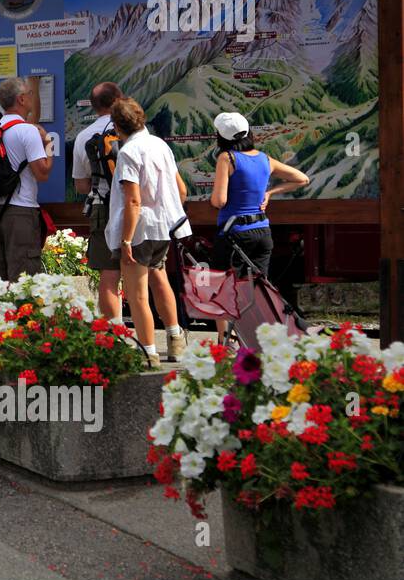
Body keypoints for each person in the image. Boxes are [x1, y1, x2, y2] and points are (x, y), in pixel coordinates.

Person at [208, 111, 309, 339]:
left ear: (221, 137)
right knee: (257, 291)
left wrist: (214, 199)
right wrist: (270, 192)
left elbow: (219, 201)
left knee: (223, 289)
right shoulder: (265, 159)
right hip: (263, 233)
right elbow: (302, 178)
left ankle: (227, 343)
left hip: (234, 234)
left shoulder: (227, 158)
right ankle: (258, 339)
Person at [105, 98, 191, 367]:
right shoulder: (160, 145)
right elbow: (182, 190)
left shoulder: (129, 152)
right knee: (160, 278)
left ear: (118, 125)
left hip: (140, 228)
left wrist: (127, 239)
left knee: (138, 293)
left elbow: (133, 201)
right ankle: (176, 339)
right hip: (164, 226)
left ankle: (149, 352)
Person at [0, 77, 52, 280]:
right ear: (22, 99)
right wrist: (48, 141)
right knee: (24, 279)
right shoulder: (28, 131)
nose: (31, 97)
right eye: (30, 94)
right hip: (20, 211)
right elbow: (43, 173)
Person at [72, 81, 123, 321]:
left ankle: (115, 335)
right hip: (137, 207)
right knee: (147, 274)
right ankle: (171, 337)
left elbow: (81, 186)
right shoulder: (132, 130)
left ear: (93, 106)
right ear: (119, 100)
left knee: (109, 274)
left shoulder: (84, 136)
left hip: (103, 207)